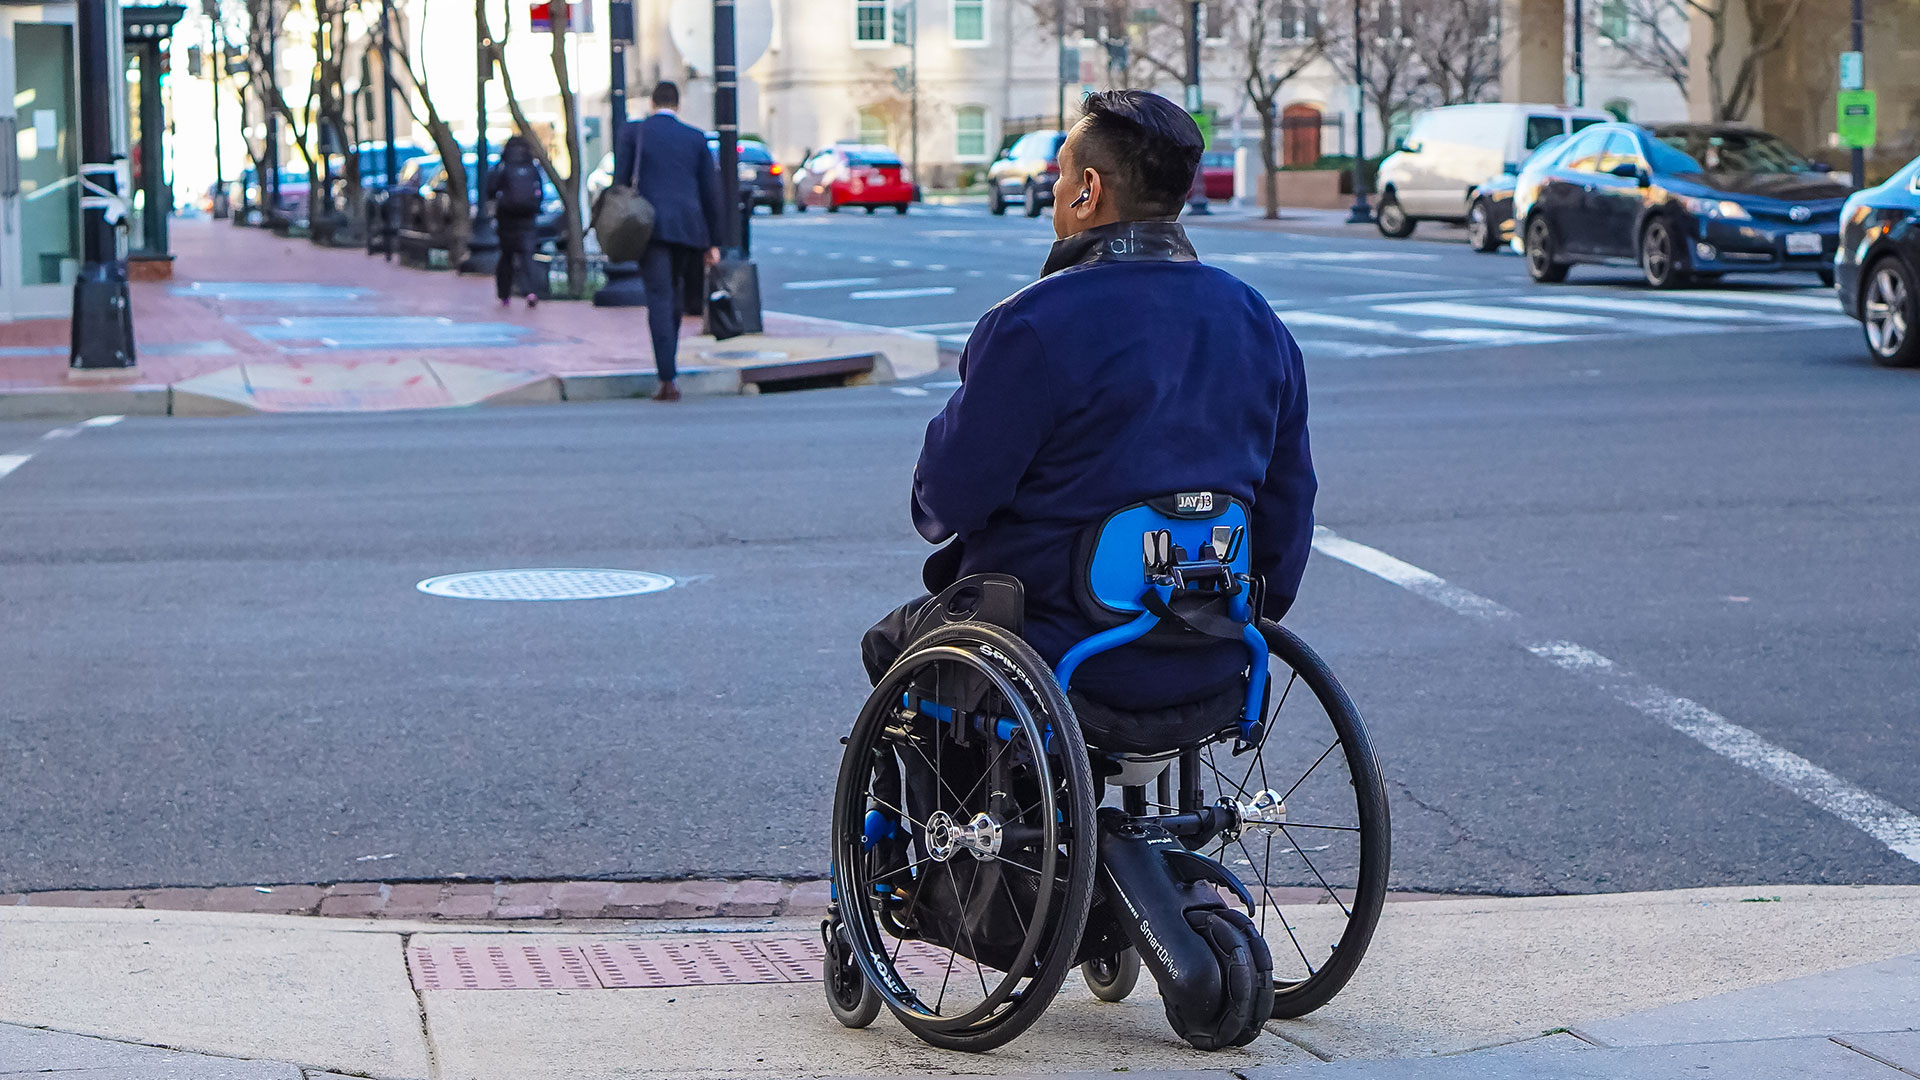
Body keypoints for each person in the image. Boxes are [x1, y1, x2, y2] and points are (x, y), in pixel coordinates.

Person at [862, 89, 1316, 717]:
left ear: (1088, 190)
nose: (1052, 191)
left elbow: (950, 498)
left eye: (1059, 176)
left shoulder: (1033, 323)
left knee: (891, 645)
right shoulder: (1254, 318)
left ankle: (981, 811)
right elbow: (1288, 503)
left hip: (1050, 651)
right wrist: (1249, 608)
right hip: (1214, 643)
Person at [615, 81, 723, 402]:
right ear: (677, 105)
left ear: (652, 103)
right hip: (690, 229)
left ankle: (667, 377)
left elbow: (620, 182)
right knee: (674, 296)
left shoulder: (633, 133)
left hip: (649, 227)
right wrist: (714, 241)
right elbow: (711, 192)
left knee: (659, 297)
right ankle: (669, 368)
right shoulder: (695, 138)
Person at [487, 136, 545, 308]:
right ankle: (530, 291)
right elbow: (539, 190)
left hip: (506, 218)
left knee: (507, 256)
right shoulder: (531, 165)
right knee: (528, 255)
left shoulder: (503, 165)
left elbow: (491, 188)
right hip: (528, 217)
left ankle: (504, 293)